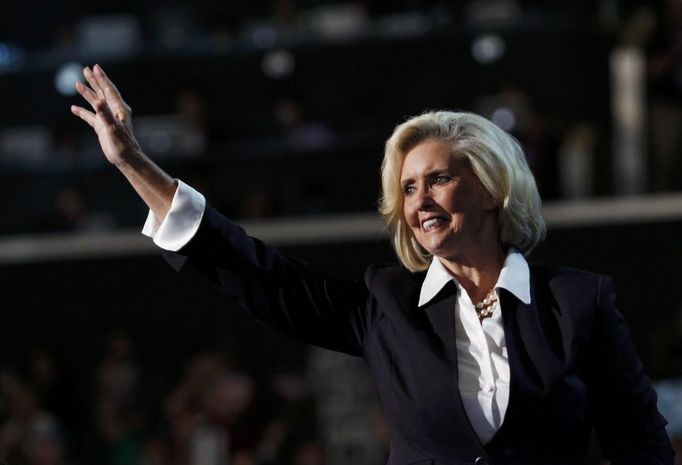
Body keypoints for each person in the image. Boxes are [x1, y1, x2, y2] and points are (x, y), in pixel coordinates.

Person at [71, 64, 674, 465]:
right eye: (409, 189)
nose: (421, 201)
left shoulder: (578, 302)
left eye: (438, 179)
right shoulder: (386, 306)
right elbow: (258, 274)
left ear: (491, 190)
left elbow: (641, 447)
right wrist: (133, 164)